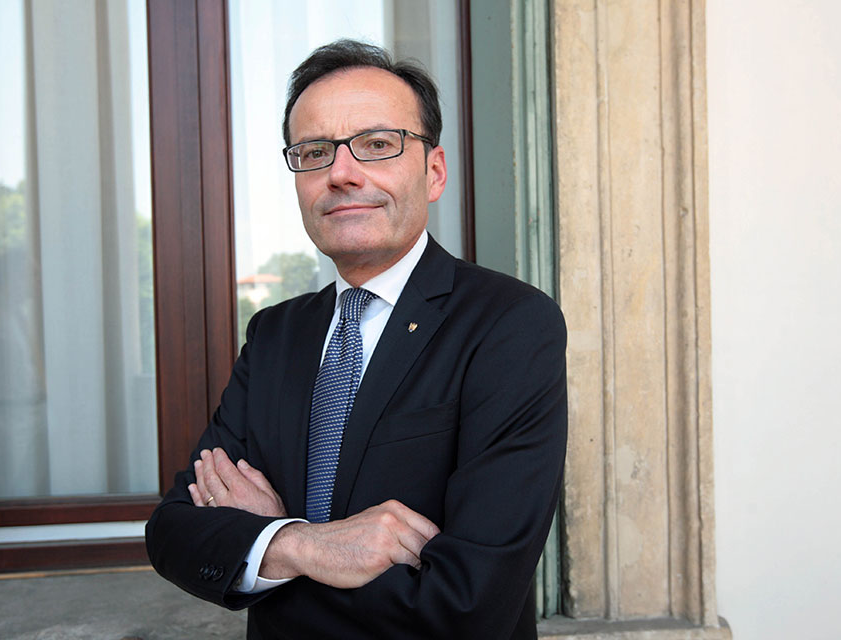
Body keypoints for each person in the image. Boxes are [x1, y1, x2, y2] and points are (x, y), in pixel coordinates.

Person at [145, 39, 567, 640]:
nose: (341, 173)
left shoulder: (510, 324)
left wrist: (262, 548)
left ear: (434, 172)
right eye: (315, 152)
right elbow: (173, 532)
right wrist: (302, 544)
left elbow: (467, 603)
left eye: (376, 144)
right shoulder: (274, 335)